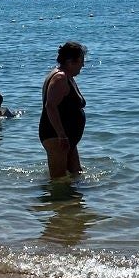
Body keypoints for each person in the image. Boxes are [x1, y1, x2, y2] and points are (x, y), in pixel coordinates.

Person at [39, 41, 86, 178]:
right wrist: (61, 135)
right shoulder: (60, 78)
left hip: (66, 136)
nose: (83, 65)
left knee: (77, 174)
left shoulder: (67, 76)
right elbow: (50, 106)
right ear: (70, 61)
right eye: (81, 61)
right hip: (56, 136)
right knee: (58, 179)